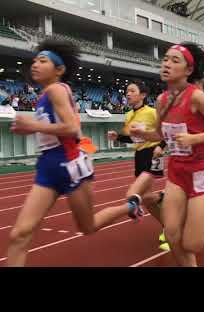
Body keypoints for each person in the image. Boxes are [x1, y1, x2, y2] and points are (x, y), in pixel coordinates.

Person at [7, 38, 143, 266]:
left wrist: (33, 126)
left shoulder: (57, 89)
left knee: (87, 227)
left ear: (59, 69)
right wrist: (33, 130)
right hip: (48, 166)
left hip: (71, 166)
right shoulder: (44, 95)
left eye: (43, 61)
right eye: (34, 61)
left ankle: (130, 206)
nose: (35, 65)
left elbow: (72, 128)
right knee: (19, 234)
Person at [130, 42, 204, 267]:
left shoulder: (197, 98)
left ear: (188, 71)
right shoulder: (161, 101)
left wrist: (195, 139)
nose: (166, 64)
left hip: (202, 172)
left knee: (192, 244)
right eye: (165, 59)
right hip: (177, 172)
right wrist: (143, 133)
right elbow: (161, 134)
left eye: (174, 61)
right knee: (171, 236)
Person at [107, 80, 170, 251]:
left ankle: (163, 198)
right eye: (127, 91)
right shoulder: (128, 116)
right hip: (139, 156)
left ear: (142, 95)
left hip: (153, 154)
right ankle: (168, 224)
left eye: (132, 91)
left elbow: (166, 132)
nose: (128, 94)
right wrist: (118, 137)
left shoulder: (152, 112)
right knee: (148, 201)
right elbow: (134, 138)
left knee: (135, 195)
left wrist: (161, 146)